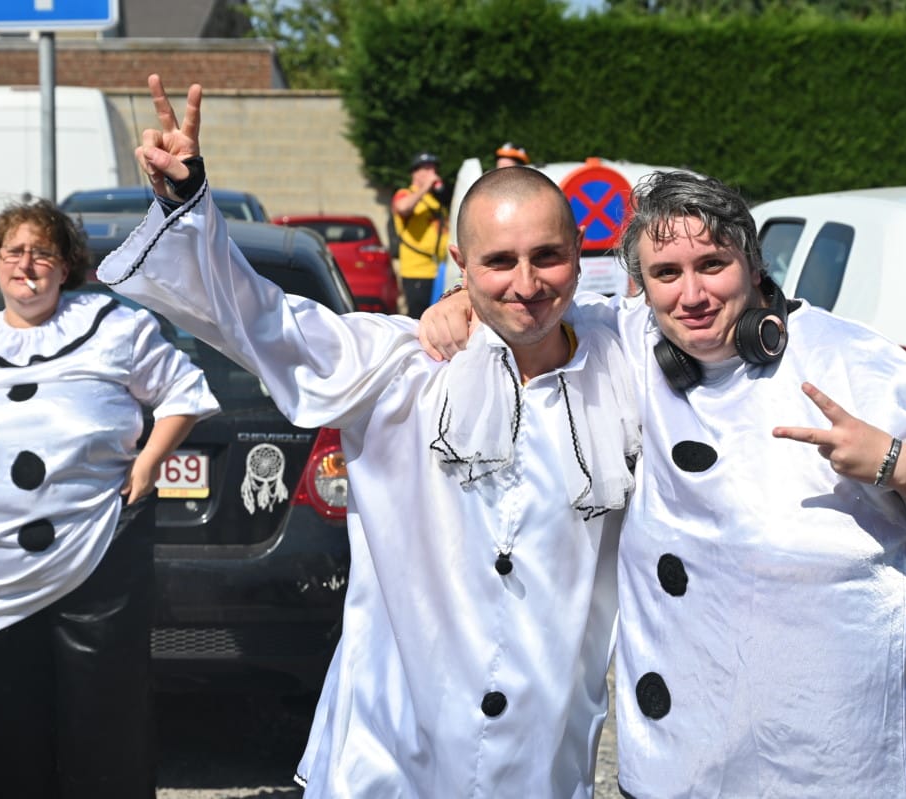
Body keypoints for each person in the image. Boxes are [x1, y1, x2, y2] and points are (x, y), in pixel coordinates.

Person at [96, 74, 639, 798]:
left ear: (579, 252)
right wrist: (188, 203)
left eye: (548, 256)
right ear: (460, 265)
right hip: (393, 750)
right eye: (498, 262)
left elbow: (708, 312)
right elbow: (262, 321)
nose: (526, 283)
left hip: (544, 752)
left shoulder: (621, 360)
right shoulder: (397, 365)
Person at [421, 170, 906, 798]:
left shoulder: (858, 366)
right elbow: (531, 306)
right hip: (685, 764)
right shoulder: (627, 344)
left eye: (712, 264)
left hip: (849, 762)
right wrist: (464, 301)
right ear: (641, 286)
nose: (692, 295)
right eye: (666, 273)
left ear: (753, 264)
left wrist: (893, 462)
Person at [0, 199, 220, 798]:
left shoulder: (114, 328)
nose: (27, 265)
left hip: (95, 559)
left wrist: (148, 463)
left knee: (104, 731)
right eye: (14, 252)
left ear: (66, 265)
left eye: (42, 253)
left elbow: (184, 391)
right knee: (2, 733)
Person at [393, 150, 450, 318]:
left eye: (434, 169)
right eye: (427, 169)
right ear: (415, 173)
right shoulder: (405, 194)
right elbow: (403, 207)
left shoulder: (435, 200)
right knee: (418, 319)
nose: (433, 173)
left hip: (438, 271)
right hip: (417, 271)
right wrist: (425, 187)